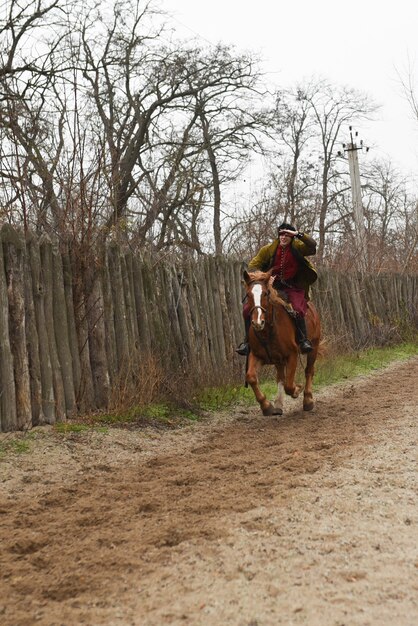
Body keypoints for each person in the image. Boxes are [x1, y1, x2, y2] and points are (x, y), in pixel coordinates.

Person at [236, 222, 318, 356]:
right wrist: (264, 277)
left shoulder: (297, 247)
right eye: (281, 234)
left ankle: (303, 340)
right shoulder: (268, 249)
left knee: (297, 308)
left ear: (292, 237)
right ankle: (247, 343)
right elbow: (252, 266)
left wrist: (299, 234)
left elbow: (312, 246)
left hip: (293, 287)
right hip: (272, 287)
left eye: (287, 235)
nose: (283, 237)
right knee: (246, 310)